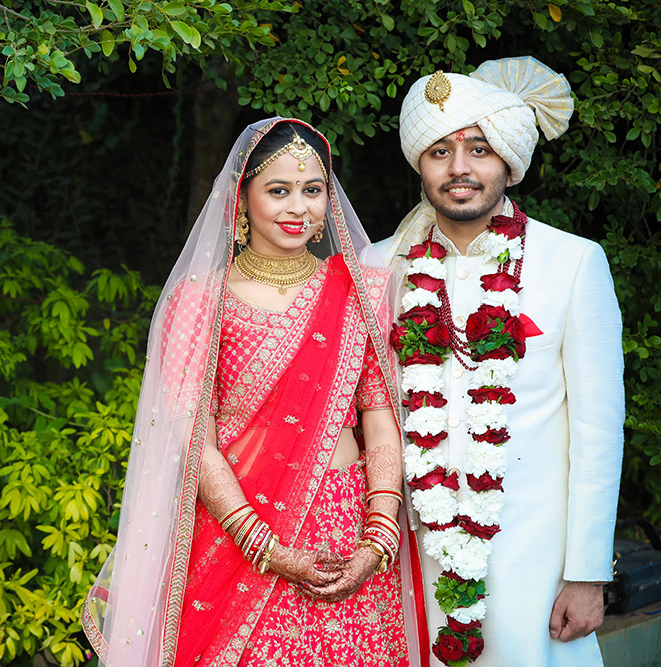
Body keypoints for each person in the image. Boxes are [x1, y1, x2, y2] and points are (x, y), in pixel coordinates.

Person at [83, 118, 426, 666]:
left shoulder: (361, 290)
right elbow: (195, 442)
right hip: (240, 538)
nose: (299, 208)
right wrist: (268, 548)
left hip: (349, 531)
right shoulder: (200, 302)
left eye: (312, 190)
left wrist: (379, 534)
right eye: (279, 190)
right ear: (241, 200)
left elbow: (380, 416)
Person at [379, 57, 624, 666]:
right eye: (440, 151)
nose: (459, 168)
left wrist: (588, 572)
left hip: (534, 560)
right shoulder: (378, 267)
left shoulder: (572, 262)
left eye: (480, 150)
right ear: (419, 165)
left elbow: (598, 433)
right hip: (410, 555)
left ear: (509, 163)